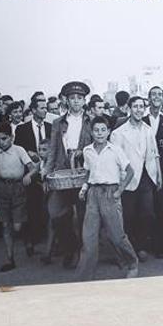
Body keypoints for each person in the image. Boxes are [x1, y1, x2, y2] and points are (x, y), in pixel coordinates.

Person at [77, 117, 139, 280]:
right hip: (93, 195)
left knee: (117, 235)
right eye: (96, 130)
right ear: (91, 132)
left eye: (103, 130)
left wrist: (119, 191)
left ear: (108, 132)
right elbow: (88, 172)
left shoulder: (115, 149)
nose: (100, 133)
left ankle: (132, 263)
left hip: (111, 193)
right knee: (88, 237)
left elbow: (130, 171)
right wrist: (84, 188)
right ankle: (85, 276)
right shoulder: (87, 150)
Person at [47, 81, 94, 269]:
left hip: (84, 172)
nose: (76, 101)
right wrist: (47, 173)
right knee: (57, 212)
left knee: (84, 215)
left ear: (84, 100)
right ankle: (70, 246)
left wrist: (84, 153)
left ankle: (83, 252)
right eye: (72, 98)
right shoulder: (58, 123)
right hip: (62, 173)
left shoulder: (91, 121)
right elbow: (52, 149)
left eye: (80, 98)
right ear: (66, 100)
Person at [111, 96, 161, 261]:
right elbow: (116, 159)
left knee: (147, 213)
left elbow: (154, 154)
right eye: (135, 107)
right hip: (128, 179)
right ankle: (129, 249)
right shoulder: (118, 133)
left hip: (146, 177)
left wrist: (158, 174)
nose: (139, 110)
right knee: (129, 215)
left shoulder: (148, 129)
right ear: (129, 109)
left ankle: (141, 247)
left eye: (141, 107)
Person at [0, 124, 38, 272]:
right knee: (6, 225)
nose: (1, 142)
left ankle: (27, 238)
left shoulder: (19, 150)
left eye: (4, 138)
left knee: (17, 226)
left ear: (11, 138)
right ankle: (9, 258)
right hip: (2, 188)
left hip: (18, 188)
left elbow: (33, 167)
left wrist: (28, 175)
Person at [14, 98, 53, 258]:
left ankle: (49, 242)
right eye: (42, 108)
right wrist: (28, 154)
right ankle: (30, 240)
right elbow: (18, 149)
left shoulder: (52, 127)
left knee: (49, 208)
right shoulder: (22, 129)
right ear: (33, 110)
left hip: (48, 172)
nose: (45, 110)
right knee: (32, 207)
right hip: (31, 173)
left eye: (46, 108)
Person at [147, 87, 163, 258]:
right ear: (149, 98)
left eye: (159, 95)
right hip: (145, 166)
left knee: (161, 204)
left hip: (162, 165)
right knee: (146, 207)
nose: (157, 97)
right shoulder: (141, 117)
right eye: (153, 95)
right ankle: (146, 242)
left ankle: (162, 245)